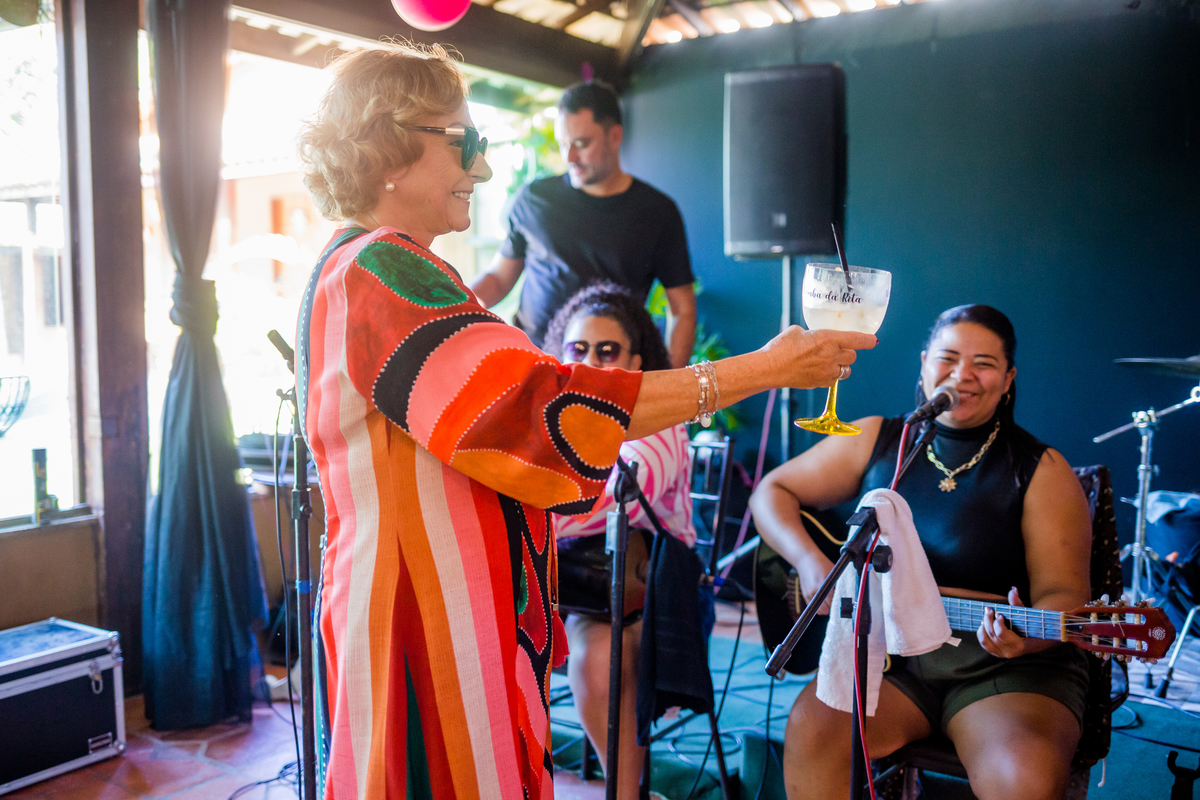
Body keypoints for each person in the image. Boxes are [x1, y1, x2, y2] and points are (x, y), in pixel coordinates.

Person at [295, 42, 874, 800]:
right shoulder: (380, 268)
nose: (484, 169)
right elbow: (543, 412)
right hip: (425, 624)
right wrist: (764, 369)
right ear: (388, 149)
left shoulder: (376, 269)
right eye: (465, 143)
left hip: (441, 612)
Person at [748, 305, 1092, 800]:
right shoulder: (880, 440)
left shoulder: (1041, 469)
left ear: (1009, 378)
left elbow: (1066, 596)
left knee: (1022, 778)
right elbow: (770, 492)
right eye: (948, 358)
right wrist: (809, 561)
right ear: (925, 362)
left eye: (985, 363)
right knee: (812, 726)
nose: (963, 375)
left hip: (1001, 668)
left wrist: (1027, 639)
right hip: (892, 663)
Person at [543, 283, 697, 799]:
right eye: (577, 349)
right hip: (583, 585)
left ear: (637, 359)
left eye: (607, 351)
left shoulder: (661, 420)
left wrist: (530, 508)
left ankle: (624, 793)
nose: (590, 362)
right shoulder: (553, 418)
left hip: (657, 591)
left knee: (599, 656)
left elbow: (612, 500)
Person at [469, 80, 698, 368]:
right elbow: (499, 279)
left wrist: (671, 391)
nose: (570, 157)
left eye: (581, 144)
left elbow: (683, 310)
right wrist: (454, 306)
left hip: (610, 373)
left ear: (615, 136)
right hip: (534, 367)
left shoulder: (657, 212)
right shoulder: (535, 198)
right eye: (564, 144)